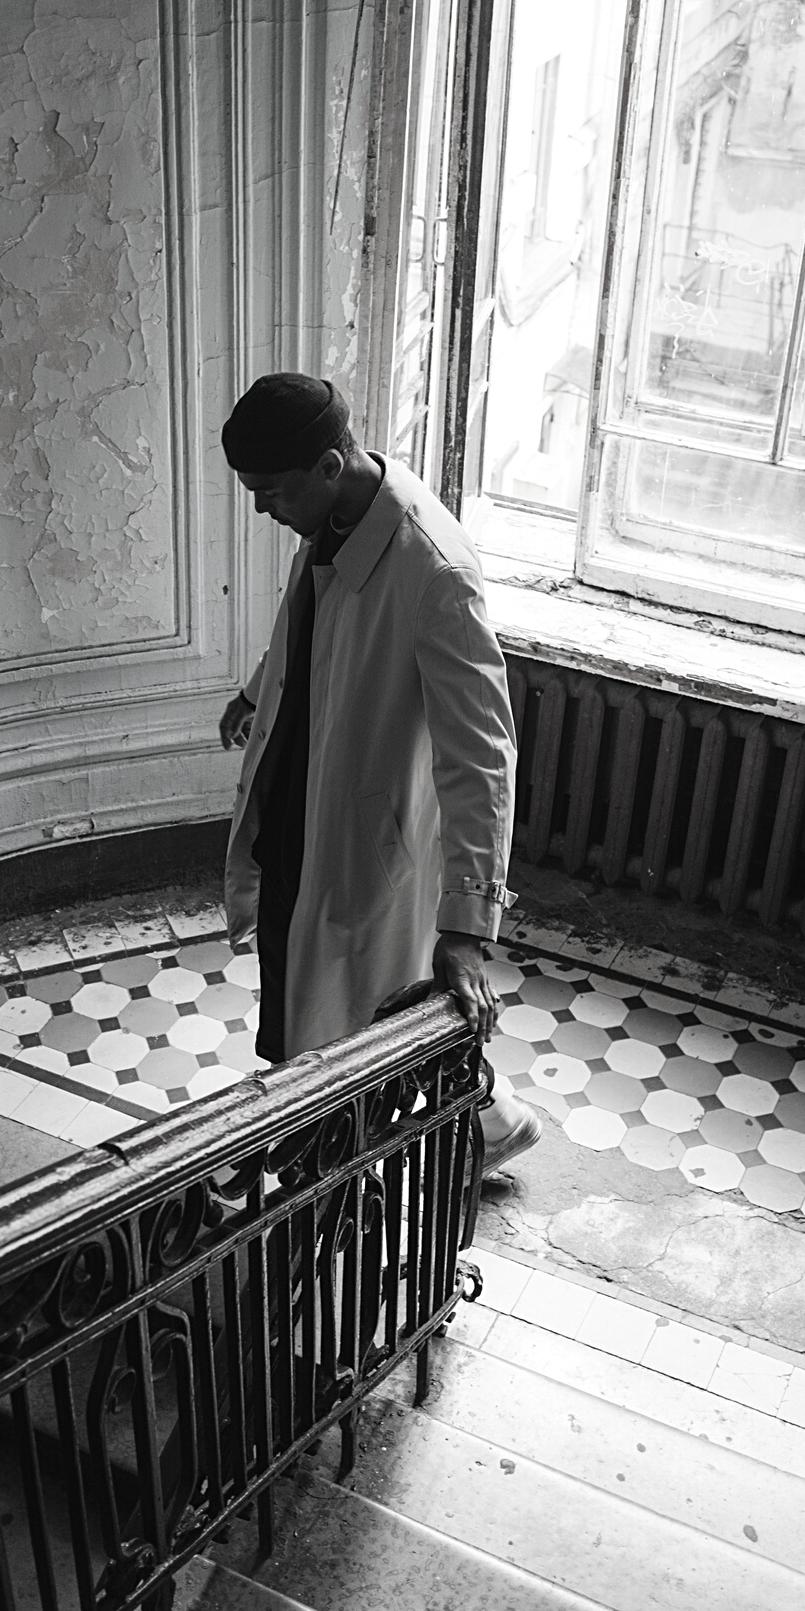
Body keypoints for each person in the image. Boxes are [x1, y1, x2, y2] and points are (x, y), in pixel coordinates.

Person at [218, 372, 539, 1174]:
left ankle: (364, 1157)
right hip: (306, 800)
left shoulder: (434, 571)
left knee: (359, 1013)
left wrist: (466, 928)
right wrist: (257, 692)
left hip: (367, 833)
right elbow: (312, 623)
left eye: (272, 491)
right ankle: (464, 1126)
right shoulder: (331, 517)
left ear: (330, 465)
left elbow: (484, 756)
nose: (263, 509)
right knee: (313, 984)